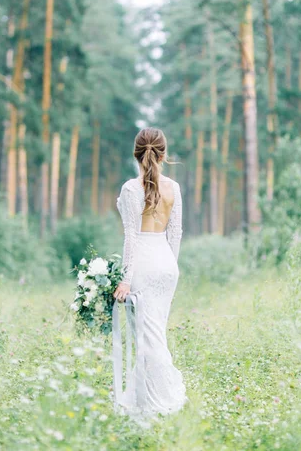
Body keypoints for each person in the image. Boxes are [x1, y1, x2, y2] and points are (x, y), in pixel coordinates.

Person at [113, 127, 186, 416]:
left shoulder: (131, 188)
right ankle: (144, 402)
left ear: (136, 153)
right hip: (167, 264)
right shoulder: (174, 188)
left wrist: (126, 279)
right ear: (164, 153)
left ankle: (165, 402)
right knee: (155, 334)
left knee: (147, 337)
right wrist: (172, 269)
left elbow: (131, 235)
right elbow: (176, 233)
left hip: (143, 262)